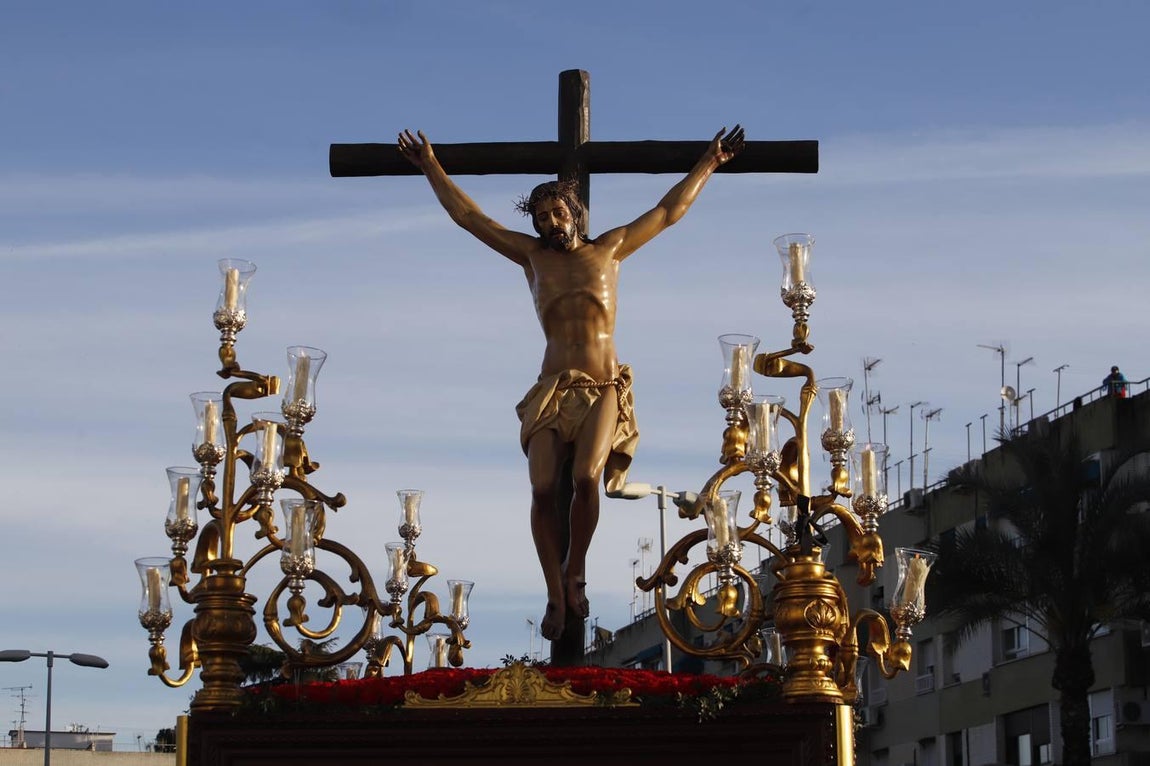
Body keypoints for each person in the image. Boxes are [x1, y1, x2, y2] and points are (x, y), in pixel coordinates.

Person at [397, 125, 745, 640]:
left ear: (574, 213)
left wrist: (709, 163)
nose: (549, 223)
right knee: (541, 489)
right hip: (551, 388)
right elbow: (470, 218)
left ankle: (575, 570)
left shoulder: (610, 249)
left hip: (603, 385)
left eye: (557, 213)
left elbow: (669, 211)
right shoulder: (532, 258)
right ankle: (555, 592)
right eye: (540, 218)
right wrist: (430, 165)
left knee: (586, 478)